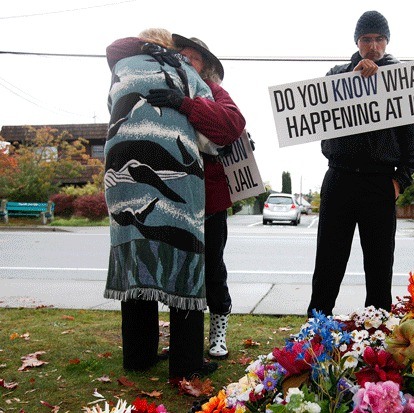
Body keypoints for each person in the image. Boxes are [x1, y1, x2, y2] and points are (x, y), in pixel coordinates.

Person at [104, 28, 216, 381]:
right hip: (175, 176)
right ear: (170, 46)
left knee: (136, 248)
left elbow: (114, 106)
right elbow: (209, 131)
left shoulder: (121, 67)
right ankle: (186, 364)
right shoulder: (184, 69)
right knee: (183, 255)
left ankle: (138, 356)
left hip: (119, 172)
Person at [307, 11, 414, 317]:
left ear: (387, 42)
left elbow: (411, 144)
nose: (373, 45)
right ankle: (315, 331)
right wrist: (353, 77)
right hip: (339, 178)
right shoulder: (336, 74)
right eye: (366, 39)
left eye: (379, 39)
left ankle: (379, 338)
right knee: (328, 262)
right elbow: (319, 115)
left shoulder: (402, 80)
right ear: (357, 41)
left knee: (379, 265)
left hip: (379, 183)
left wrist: (400, 182)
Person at [148, 33, 246, 359]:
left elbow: (232, 123)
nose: (186, 62)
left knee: (212, 268)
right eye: (181, 57)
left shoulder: (214, 92)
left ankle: (218, 333)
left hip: (209, 202)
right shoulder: (163, 87)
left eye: (193, 58)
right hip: (172, 199)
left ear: (204, 66)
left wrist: (185, 105)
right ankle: (183, 341)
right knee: (176, 269)